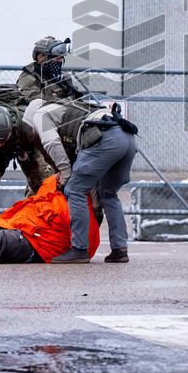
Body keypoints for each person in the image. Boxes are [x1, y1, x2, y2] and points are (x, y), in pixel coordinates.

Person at [50, 102, 139, 264]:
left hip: (106, 138)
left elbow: (51, 143)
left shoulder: (40, 116)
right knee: (108, 193)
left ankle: (79, 249)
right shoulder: (78, 106)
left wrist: (65, 173)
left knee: (75, 189)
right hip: (128, 138)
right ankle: (120, 250)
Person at [0, 86, 57, 224]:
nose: (0, 144)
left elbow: (48, 152)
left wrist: (60, 172)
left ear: (11, 128)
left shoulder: (28, 124)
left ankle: (42, 223)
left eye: (2, 141)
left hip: (27, 146)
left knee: (44, 184)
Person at [17, 36, 81, 103]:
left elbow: (76, 99)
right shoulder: (29, 77)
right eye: (57, 58)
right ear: (41, 57)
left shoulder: (63, 77)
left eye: (61, 58)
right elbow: (34, 100)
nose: (60, 61)